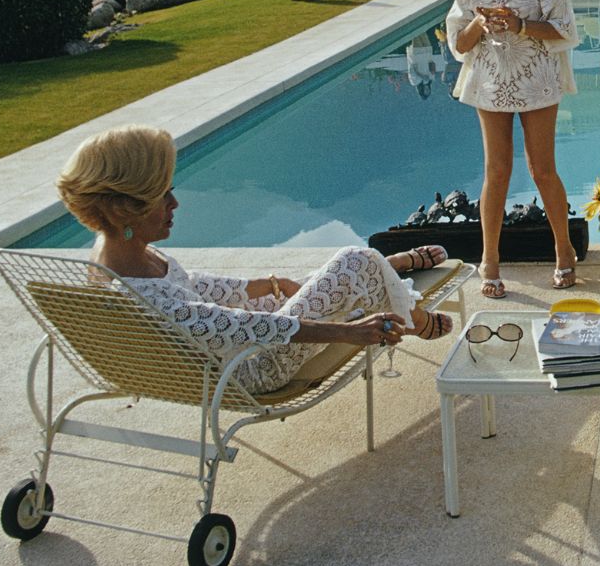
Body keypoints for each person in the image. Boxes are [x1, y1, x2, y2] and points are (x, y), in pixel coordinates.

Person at [58, 125, 454, 395]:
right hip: (252, 365)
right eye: (161, 196)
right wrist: (347, 334)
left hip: (234, 344)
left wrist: (264, 283)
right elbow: (238, 325)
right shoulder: (142, 295)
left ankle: (390, 269)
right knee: (353, 261)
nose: (174, 204)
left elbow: (190, 287)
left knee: (313, 283)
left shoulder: (113, 254)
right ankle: (409, 308)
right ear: (124, 208)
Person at [419, 0, 580, 298]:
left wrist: (520, 24)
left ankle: (564, 249)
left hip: (537, 78)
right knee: (497, 170)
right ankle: (489, 258)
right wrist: (478, 21)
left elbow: (564, 29)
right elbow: (459, 42)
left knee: (542, 168)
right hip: (490, 81)